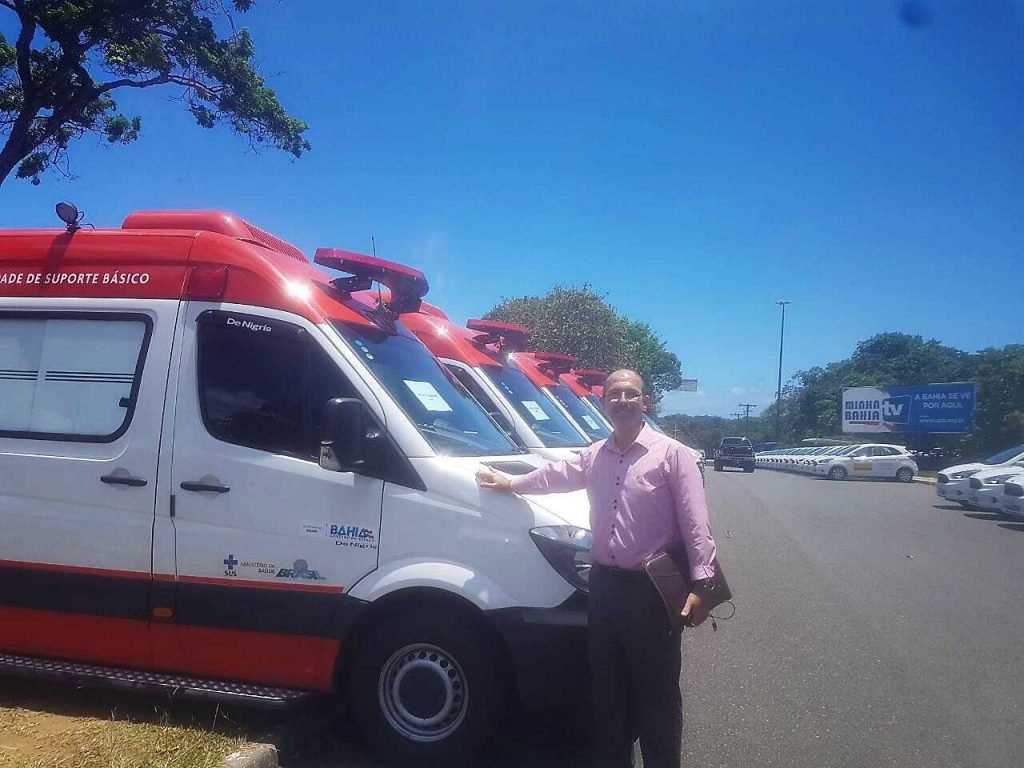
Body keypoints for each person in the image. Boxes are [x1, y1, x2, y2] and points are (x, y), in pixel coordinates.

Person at [476, 369, 717, 768]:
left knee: (656, 695)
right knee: (608, 695)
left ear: (645, 403)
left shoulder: (674, 455)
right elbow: (554, 476)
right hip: (603, 588)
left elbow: (697, 523)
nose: (622, 401)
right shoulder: (594, 454)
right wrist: (511, 483)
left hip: (650, 593)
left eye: (631, 394)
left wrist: (702, 585)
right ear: (603, 402)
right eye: (614, 394)